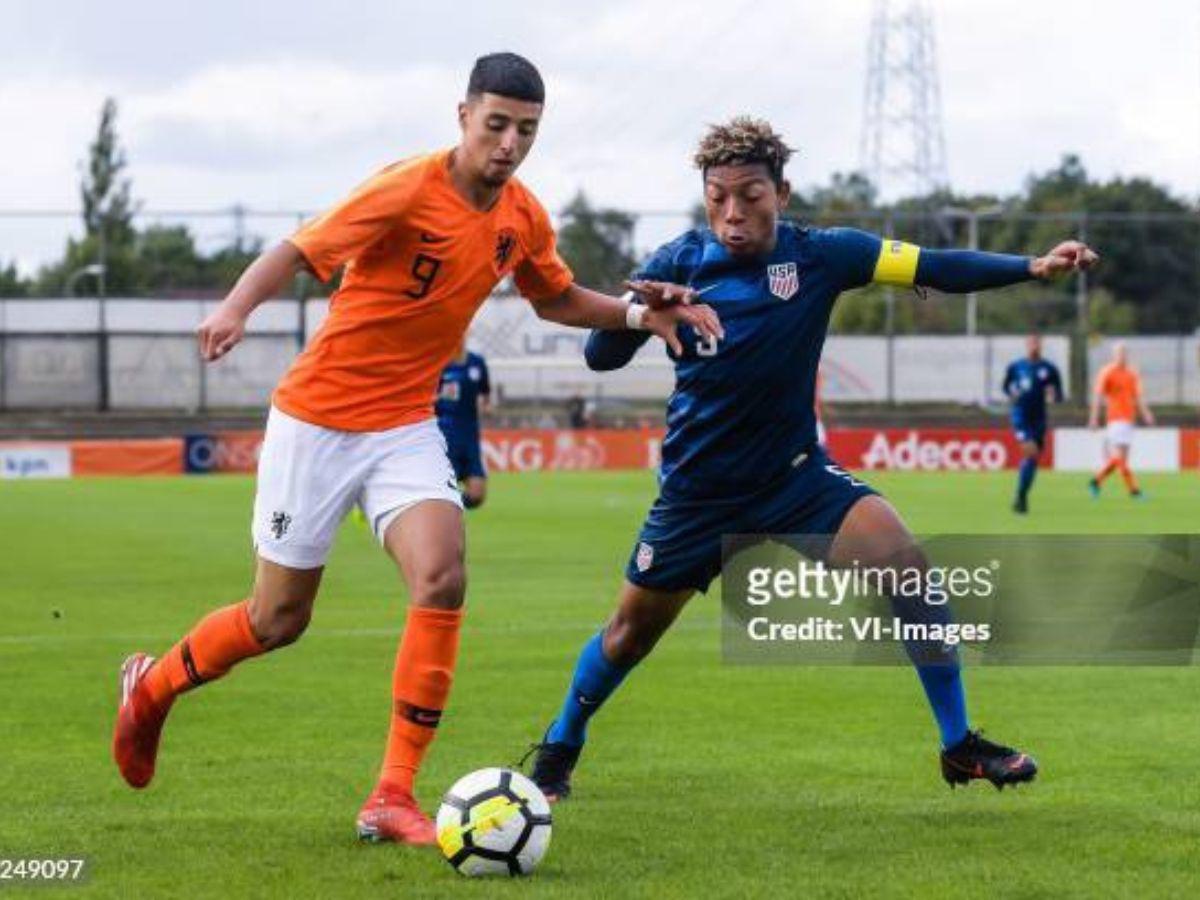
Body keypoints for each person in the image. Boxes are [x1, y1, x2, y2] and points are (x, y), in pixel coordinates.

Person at [110, 52, 720, 847]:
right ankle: (151, 688)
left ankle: (391, 794)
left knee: (442, 574)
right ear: (463, 117)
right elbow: (297, 250)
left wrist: (640, 316)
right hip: (316, 421)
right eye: (496, 125)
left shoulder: (523, 216)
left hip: (403, 424)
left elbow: (557, 297)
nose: (509, 144)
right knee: (277, 619)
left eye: (526, 130)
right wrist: (235, 308)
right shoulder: (405, 188)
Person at [526, 116, 1098, 802]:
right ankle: (560, 746)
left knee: (908, 570)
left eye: (750, 196)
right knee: (628, 636)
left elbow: (932, 266)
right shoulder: (676, 262)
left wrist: (1031, 266)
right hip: (698, 494)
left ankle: (958, 745)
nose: (733, 214)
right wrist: (646, 314)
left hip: (794, 477)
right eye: (718, 198)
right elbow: (599, 356)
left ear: (782, 193)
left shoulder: (826, 255)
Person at [1001, 334, 1063, 513]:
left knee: (1032, 459)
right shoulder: (1016, 366)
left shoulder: (1050, 369)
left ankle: (1021, 496)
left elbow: (1059, 394)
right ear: (1026, 345)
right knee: (1030, 451)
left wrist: (1053, 396)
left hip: (1039, 419)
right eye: (1031, 343)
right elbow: (1006, 387)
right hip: (1021, 416)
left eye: (1037, 343)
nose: (1034, 346)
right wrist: (1012, 392)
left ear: (1041, 346)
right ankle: (1020, 497)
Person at [1088, 342, 1154, 498]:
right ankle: (1134, 491)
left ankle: (1096, 481)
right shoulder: (1107, 372)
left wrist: (1146, 413)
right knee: (1120, 459)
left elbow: (1138, 396)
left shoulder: (1132, 374)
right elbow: (1098, 395)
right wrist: (1094, 417)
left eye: (1124, 353)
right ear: (1114, 355)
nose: (1122, 356)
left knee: (1121, 460)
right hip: (1115, 419)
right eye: (1119, 353)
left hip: (1128, 419)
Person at [436, 343, 491, 509]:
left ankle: (449, 511)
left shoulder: (477, 362)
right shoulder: (439, 362)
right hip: (444, 434)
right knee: (443, 491)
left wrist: (486, 406)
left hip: (470, 435)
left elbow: (485, 393)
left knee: (476, 493)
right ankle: (444, 515)